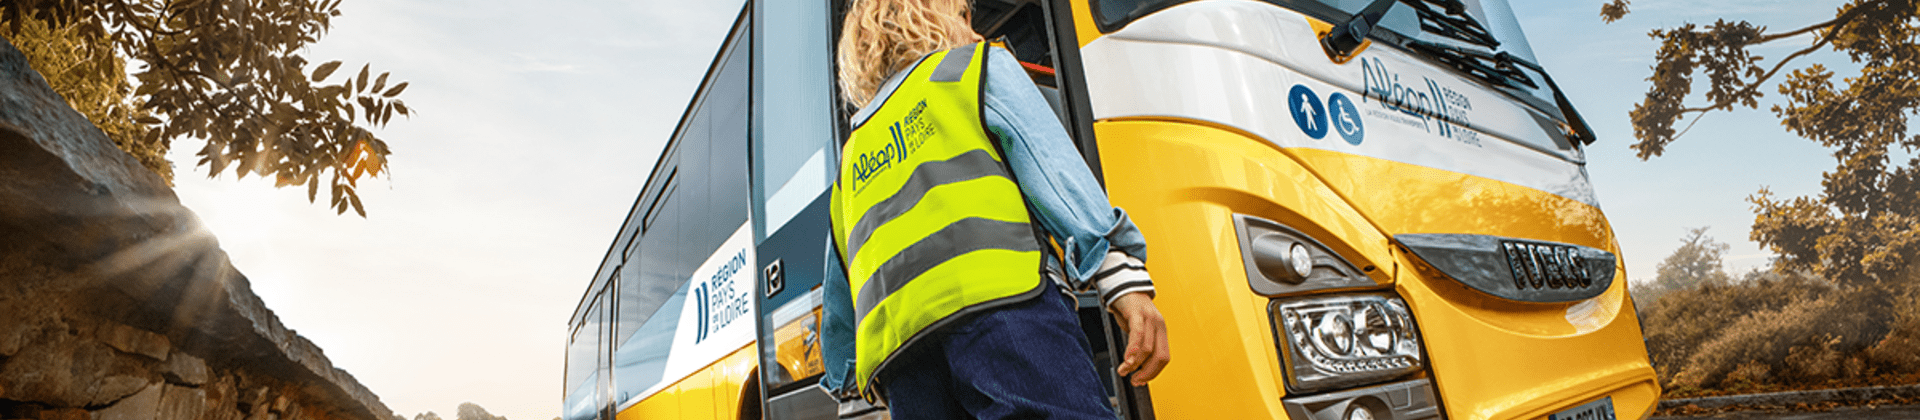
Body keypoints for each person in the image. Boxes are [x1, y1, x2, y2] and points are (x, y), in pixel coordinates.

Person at [817, 0, 1170, 418]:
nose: (977, 34)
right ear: (928, 19)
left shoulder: (853, 152)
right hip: (1004, 310)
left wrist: (847, 374)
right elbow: (1052, 170)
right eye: (964, 17)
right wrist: (1119, 274)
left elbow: (840, 288)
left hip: (902, 359)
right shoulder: (972, 69)